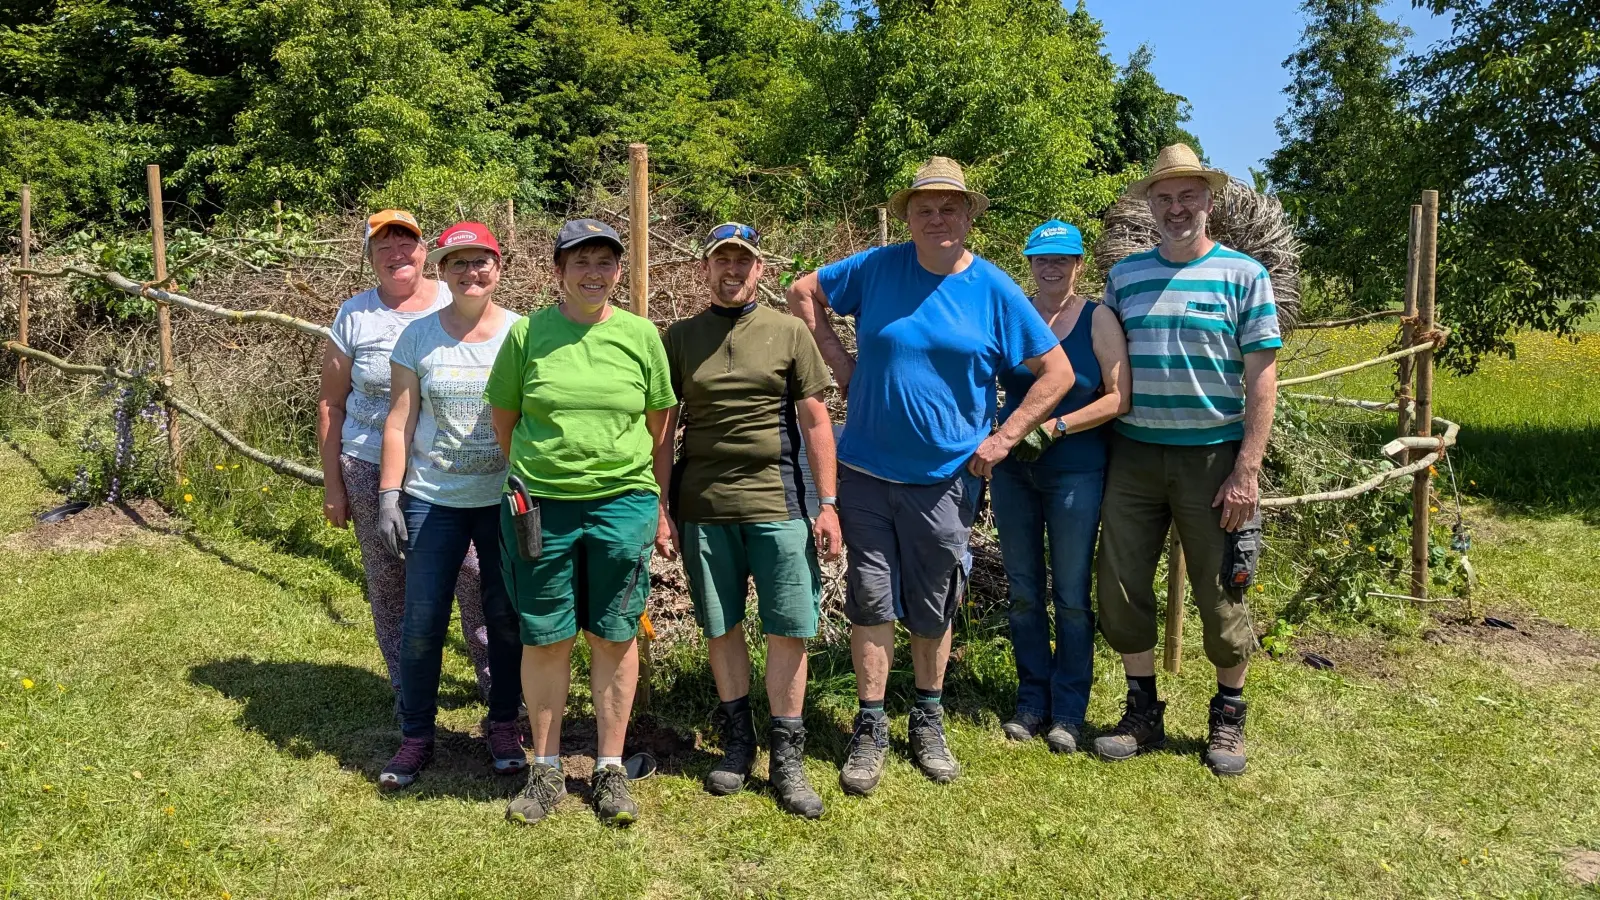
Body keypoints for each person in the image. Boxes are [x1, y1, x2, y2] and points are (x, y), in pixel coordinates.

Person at [786, 157, 1073, 796]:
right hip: (863, 469)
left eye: (949, 207)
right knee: (869, 596)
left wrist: (1002, 439)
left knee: (933, 603)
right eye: (924, 207)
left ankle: (927, 714)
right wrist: (839, 361)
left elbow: (1057, 374)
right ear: (907, 215)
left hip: (947, 476)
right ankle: (869, 724)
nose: (936, 217)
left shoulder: (995, 290)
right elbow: (803, 293)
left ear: (970, 215)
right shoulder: (877, 267)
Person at [1092, 143, 1281, 777]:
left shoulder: (1244, 275)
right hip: (1136, 456)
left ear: (1210, 200)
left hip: (1214, 459)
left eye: (1188, 195)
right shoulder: (1125, 277)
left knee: (1224, 590)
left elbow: (1262, 378)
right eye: (1165, 197)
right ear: (1150, 204)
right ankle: (1142, 710)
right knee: (1119, 585)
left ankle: (1229, 715)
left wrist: (1247, 468)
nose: (1177, 208)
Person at [486, 219, 677, 827]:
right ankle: (545, 770)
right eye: (580, 262)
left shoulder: (641, 336)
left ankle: (610, 767)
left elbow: (659, 424)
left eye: (605, 262)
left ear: (619, 271)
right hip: (541, 505)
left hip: (622, 504)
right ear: (558, 271)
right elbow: (505, 419)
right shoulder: (527, 335)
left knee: (614, 634)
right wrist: (544, 472)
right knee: (546, 634)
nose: (594, 273)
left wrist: (654, 502)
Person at [655, 223, 840, 819]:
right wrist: (661, 505)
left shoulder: (789, 331)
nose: (732, 271)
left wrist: (828, 503)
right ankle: (739, 744)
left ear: (760, 270)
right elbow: (662, 430)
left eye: (743, 261)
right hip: (704, 507)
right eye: (721, 261)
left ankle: (788, 756)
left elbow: (816, 422)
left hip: (780, 505)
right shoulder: (679, 338)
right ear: (705, 269)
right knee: (721, 624)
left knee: (789, 627)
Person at [316, 210, 495, 707]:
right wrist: (334, 485)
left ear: (425, 252)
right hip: (371, 463)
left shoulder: (456, 296)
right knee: (390, 579)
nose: (398, 254)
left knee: (474, 576)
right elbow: (331, 402)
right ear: (369, 257)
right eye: (384, 246)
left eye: (408, 243)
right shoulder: (356, 316)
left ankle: (496, 686)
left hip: (447, 468)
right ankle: (408, 690)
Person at [373, 222, 527, 789]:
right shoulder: (417, 337)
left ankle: (504, 723)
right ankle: (416, 736)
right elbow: (400, 419)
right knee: (421, 623)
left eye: (480, 261)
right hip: (432, 500)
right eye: (458, 263)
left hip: (503, 501)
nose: (471, 272)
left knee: (505, 619)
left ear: (498, 267)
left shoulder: (522, 334)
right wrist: (390, 494)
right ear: (443, 270)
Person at [992, 220, 1130, 754]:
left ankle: (1070, 709)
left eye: (1062, 260)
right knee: (1024, 591)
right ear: (1029, 263)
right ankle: (1031, 700)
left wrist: (1059, 426)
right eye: (1041, 259)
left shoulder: (1098, 320)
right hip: (1013, 472)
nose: (1051, 268)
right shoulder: (1013, 316)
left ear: (1078, 265)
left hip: (1075, 470)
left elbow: (1119, 397)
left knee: (1071, 595)